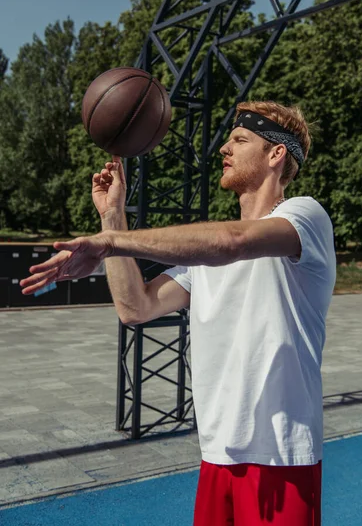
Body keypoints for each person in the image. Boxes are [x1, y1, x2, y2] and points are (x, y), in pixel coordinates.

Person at [20, 100, 336, 526]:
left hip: (281, 456)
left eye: (240, 140)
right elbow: (136, 307)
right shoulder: (201, 257)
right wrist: (113, 220)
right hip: (217, 455)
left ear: (276, 154)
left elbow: (234, 241)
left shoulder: (305, 216)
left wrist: (111, 245)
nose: (224, 148)